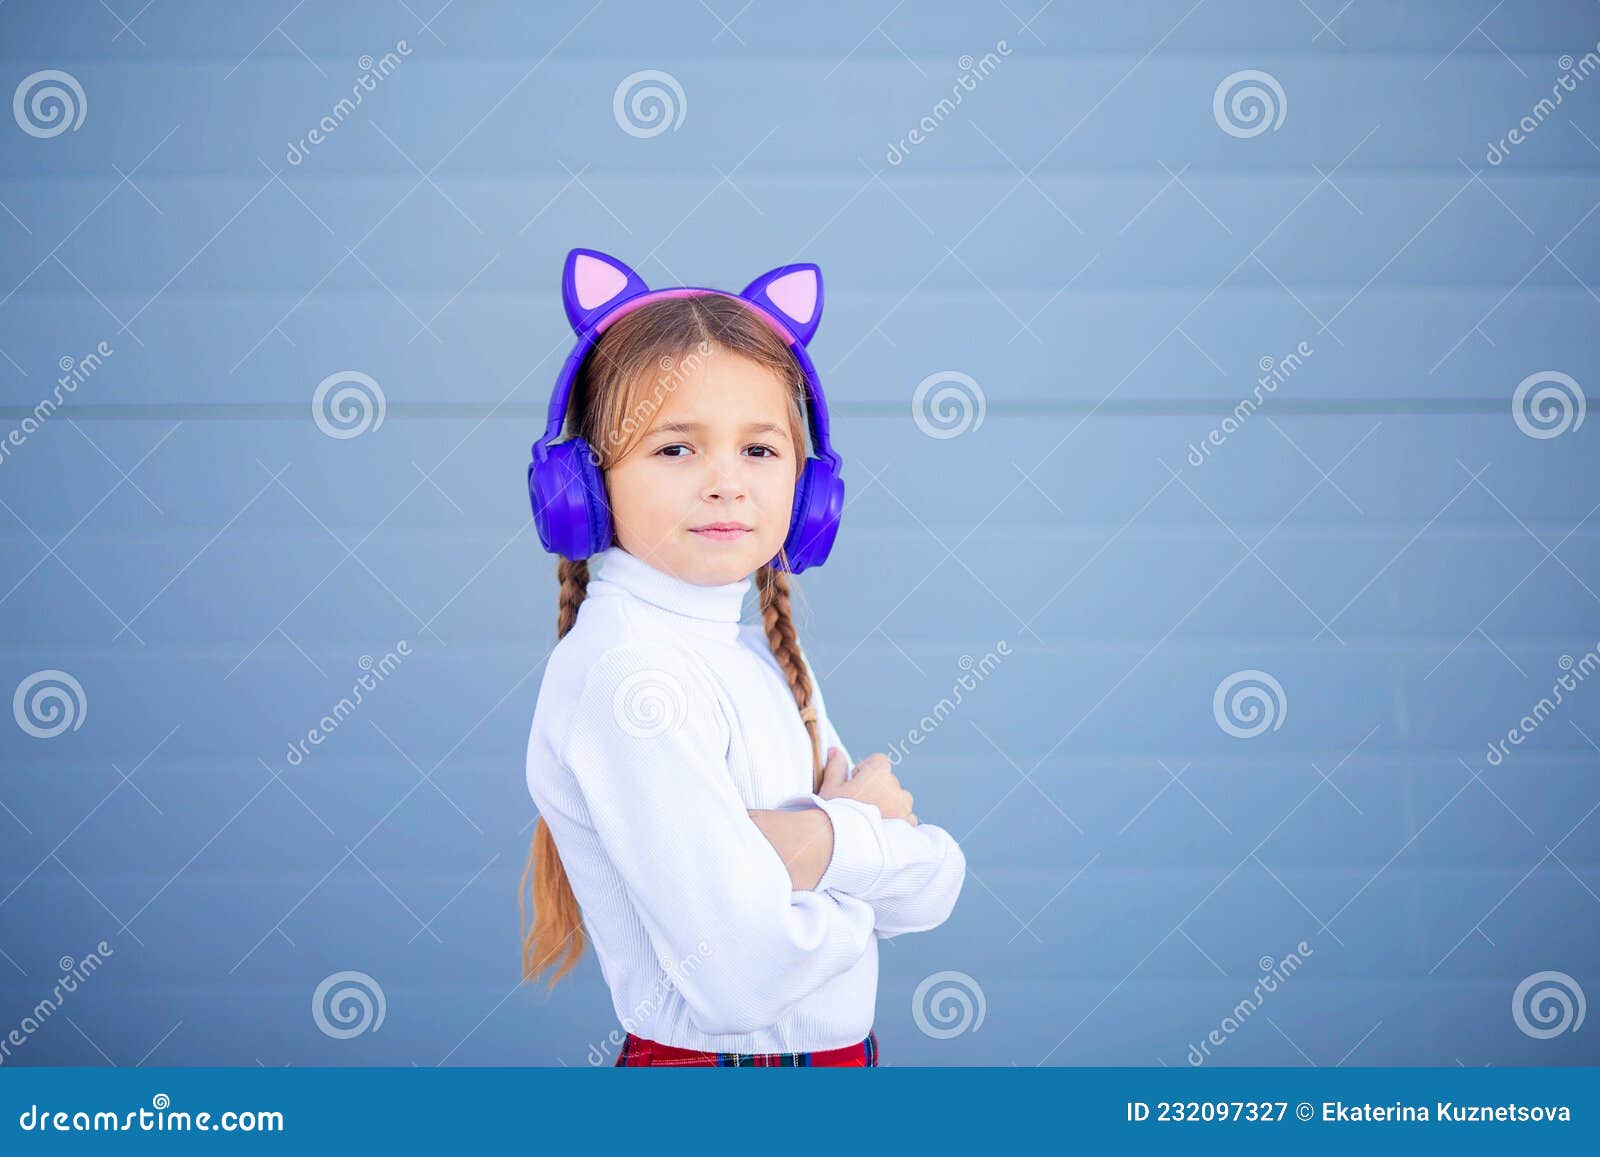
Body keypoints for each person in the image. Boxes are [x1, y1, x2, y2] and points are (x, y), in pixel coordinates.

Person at [520, 248, 966, 1066]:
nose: (727, 483)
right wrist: (859, 836)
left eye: (759, 450)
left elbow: (937, 887)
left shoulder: (750, 660)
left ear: (810, 485)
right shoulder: (633, 676)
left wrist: (810, 847)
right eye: (675, 449)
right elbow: (739, 976)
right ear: (583, 484)